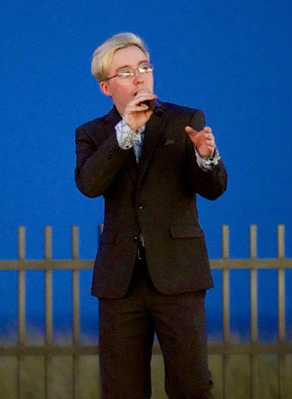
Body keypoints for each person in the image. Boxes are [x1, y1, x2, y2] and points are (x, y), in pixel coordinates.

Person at [74, 32, 227, 399]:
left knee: (191, 385)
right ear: (106, 87)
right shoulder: (92, 133)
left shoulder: (185, 119)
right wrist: (126, 131)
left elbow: (213, 188)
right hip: (120, 282)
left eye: (144, 67)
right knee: (122, 389)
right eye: (126, 72)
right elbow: (90, 184)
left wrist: (207, 157)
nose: (139, 77)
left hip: (178, 274)